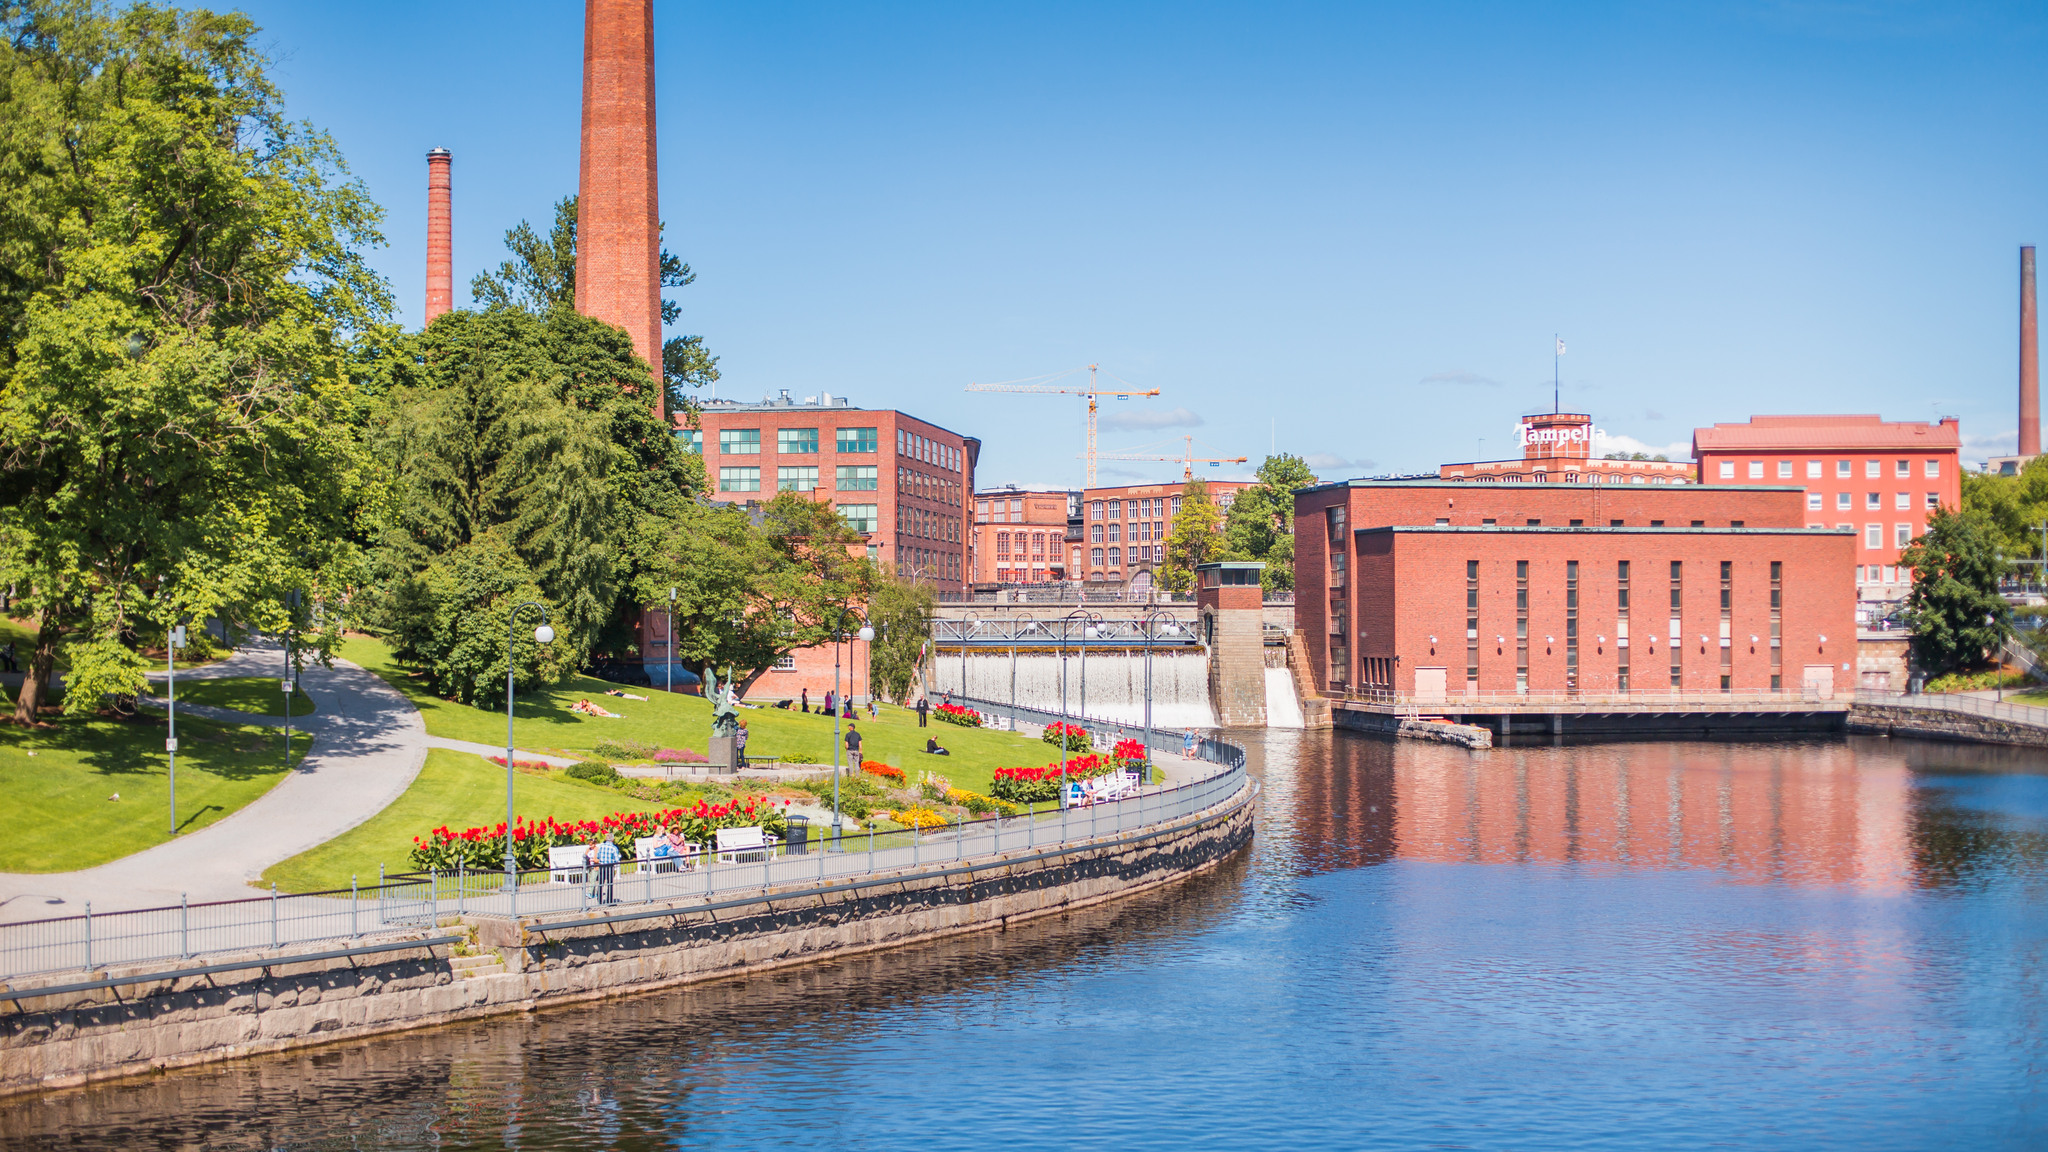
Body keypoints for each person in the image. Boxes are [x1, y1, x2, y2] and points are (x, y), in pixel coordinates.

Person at [591, 836, 621, 904]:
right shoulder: (613, 848)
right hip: (609, 866)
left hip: (602, 866)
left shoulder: (601, 846)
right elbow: (616, 859)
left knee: (601, 883)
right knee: (609, 883)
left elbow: (598, 856)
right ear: (613, 839)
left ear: (605, 839)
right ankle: (609, 900)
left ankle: (600, 900)